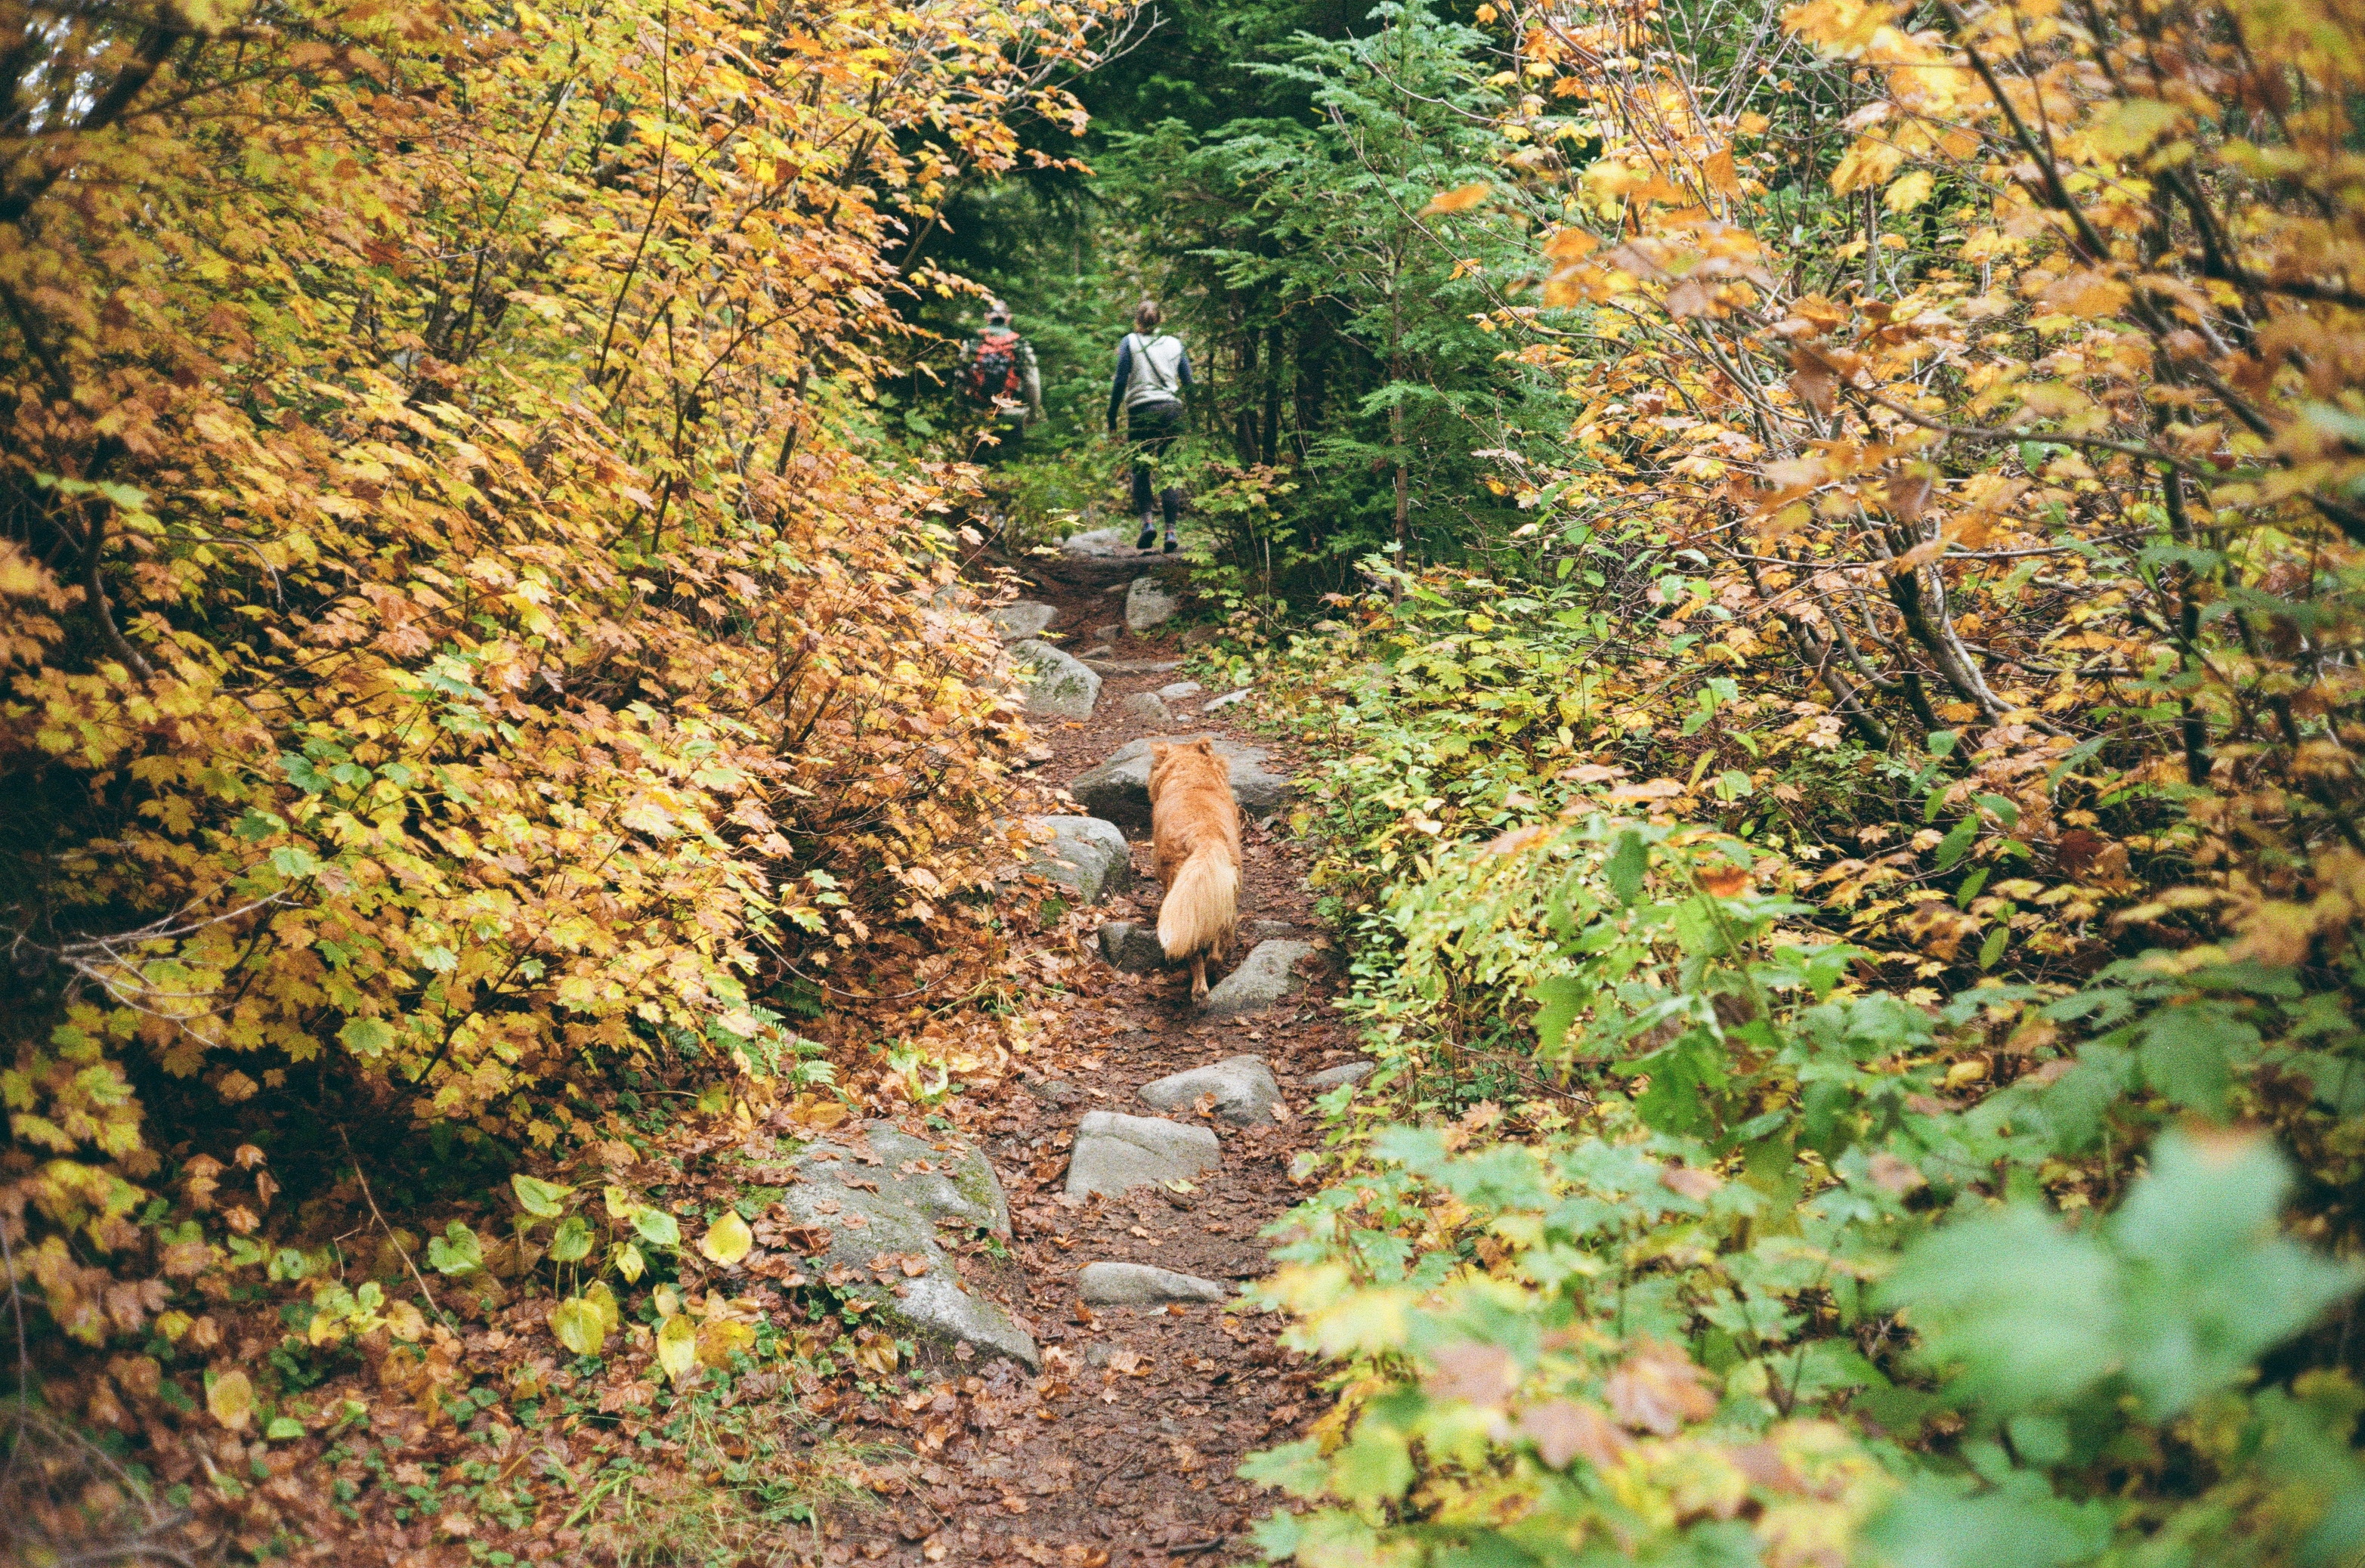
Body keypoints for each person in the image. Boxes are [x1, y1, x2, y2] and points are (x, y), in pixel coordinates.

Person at [1107, 299, 1192, 552]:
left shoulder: (1129, 342)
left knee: (1141, 469)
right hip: (1171, 411)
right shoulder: (1175, 344)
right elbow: (1188, 381)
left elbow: (1121, 381)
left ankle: (1147, 524)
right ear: (1160, 319)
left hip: (1141, 411)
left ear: (1137, 319)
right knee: (1169, 470)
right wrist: (1194, 416)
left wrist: (1112, 415)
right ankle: (1171, 533)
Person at [963, 300, 1042, 467]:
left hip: (977, 410)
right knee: (1008, 464)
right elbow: (1032, 383)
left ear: (987, 317)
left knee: (975, 463)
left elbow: (960, 377)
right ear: (1008, 318)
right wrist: (1033, 413)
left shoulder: (973, 342)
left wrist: (961, 408)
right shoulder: (1019, 344)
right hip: (1012, 412)